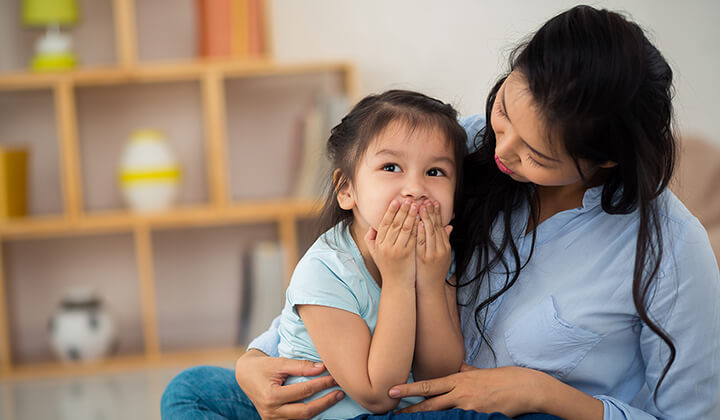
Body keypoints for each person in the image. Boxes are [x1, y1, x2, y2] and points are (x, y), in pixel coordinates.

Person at [162, 5, 720, 420]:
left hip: (493, 412)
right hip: (387, 387)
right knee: (192, 391)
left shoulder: (672, 250)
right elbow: (345, 272)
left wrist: (541, 392)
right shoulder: (456, 153)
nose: (501, 153)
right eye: (504, 110)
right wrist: (258, 361)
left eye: (537, 155)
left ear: (606, 160)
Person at [274, 89, 468, 419]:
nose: (416, 189)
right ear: (347, 190)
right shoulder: (325, 270)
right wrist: (398, 280)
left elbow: (437, 378)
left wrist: (432, 286)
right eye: (391, 167)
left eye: (435, 172)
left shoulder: (436, 257)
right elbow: (379, 395)